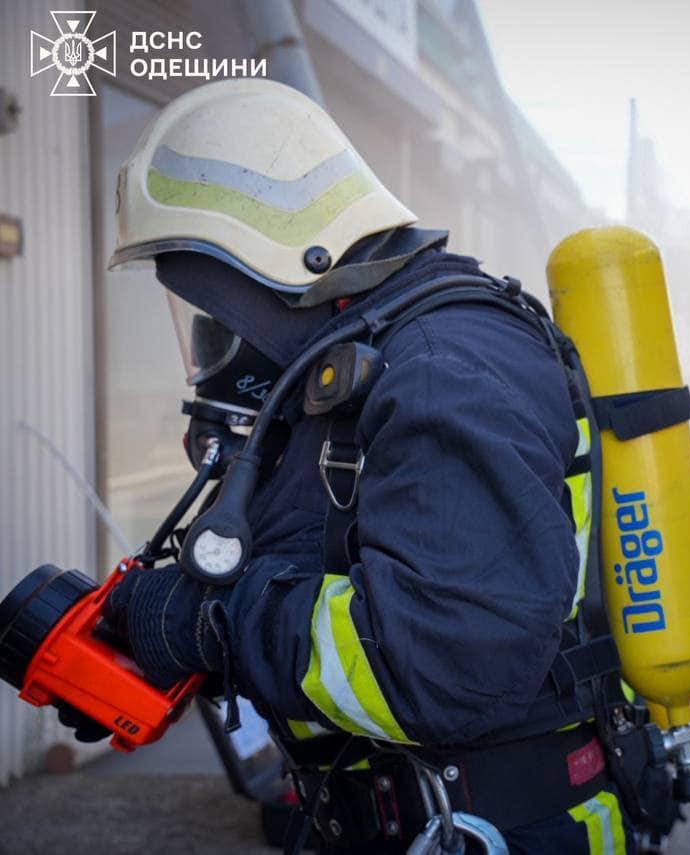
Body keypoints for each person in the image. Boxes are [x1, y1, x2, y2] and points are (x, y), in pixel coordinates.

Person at [68, 77, 660, 854]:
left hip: (496, 830)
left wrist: (210, 625)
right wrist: (148, 643)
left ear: (279, 267)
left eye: (216, 311)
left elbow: (444, 661)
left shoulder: (448, 366)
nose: (212, 351)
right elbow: (334, 580)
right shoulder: (366, 358)